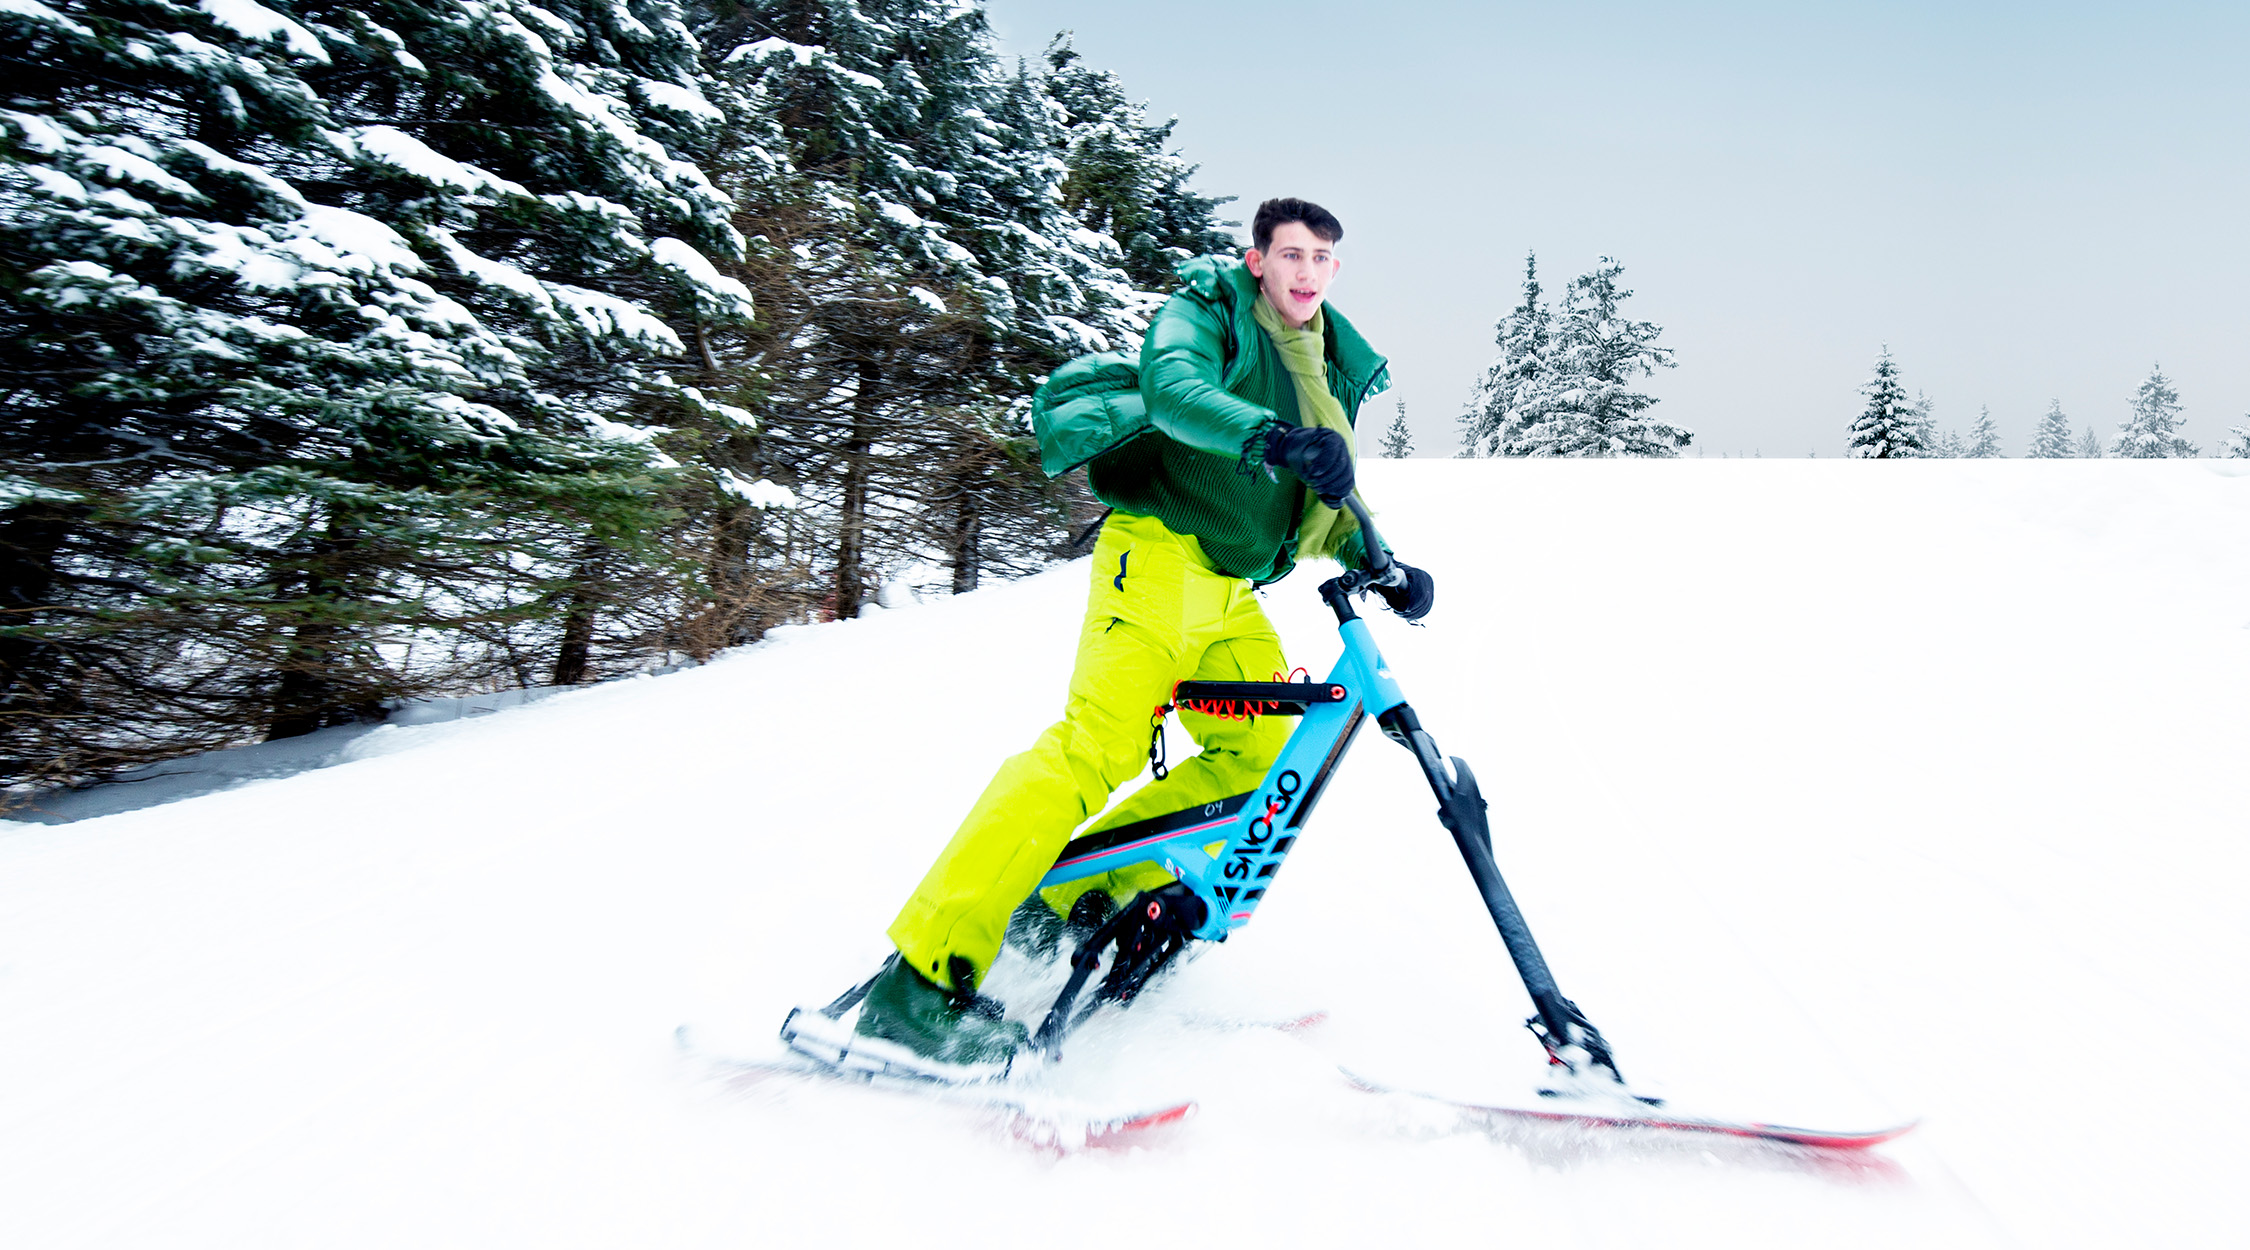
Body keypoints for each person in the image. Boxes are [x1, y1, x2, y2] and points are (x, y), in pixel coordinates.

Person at [844, 197, 1435, 1068]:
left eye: (1323, 258)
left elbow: (1318, 493)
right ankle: (920, 980)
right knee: (1095, 750)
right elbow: (1177, 393)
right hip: (1155, 562)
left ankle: (1077, 894)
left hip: (1233, 594)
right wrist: (1273, 439)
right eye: (1291, 254)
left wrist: (1383, 561)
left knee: (1266, 757)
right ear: (1258, 259)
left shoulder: (1330, 363)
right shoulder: (1208, 312)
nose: (1307, 271)